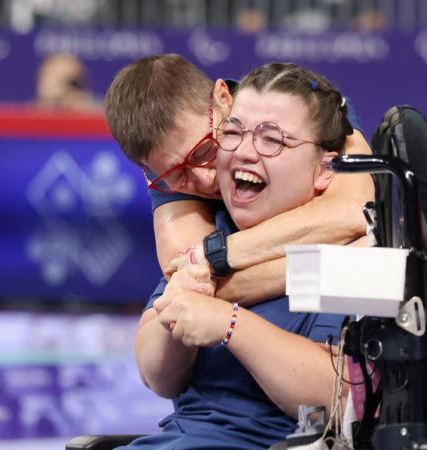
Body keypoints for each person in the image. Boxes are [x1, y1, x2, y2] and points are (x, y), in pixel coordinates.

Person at [118, 63, 353, 450]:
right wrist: (182, 301)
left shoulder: (352, 250)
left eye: (271, 140)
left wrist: (231, 324)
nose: (243, 151)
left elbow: (338, 397)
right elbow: (156, 376)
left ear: (325, 169)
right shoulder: (212, 234)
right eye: (232, 133)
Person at [105, 54, 373, 309]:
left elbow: (354, 211)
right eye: (179, 175)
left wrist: (218, 255)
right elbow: (192, 284)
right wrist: (334, 260)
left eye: (205, 151)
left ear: (224, 98)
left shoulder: (304, 102)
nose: (205, 178)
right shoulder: (166, 174)